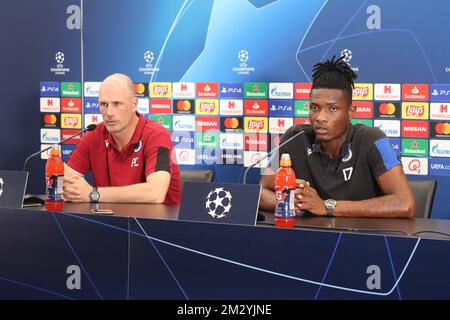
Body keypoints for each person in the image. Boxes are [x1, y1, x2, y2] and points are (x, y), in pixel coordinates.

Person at [259, 56, 415, 218]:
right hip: (309, 237)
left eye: (332, 109)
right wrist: (292, 202)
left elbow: (405, 203)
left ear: (350, 112)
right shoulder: (295, 136)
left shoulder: (373, 139)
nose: (320, 117)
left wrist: (326, 206)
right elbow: (261, 191)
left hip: (362, 238)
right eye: (315, 107)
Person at [63, 73, 181, 204]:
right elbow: (64, 181)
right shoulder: (93, 135)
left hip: (156, 223)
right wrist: (70, 188)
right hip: (110, 221)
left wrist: (93, 193)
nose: (109, 113)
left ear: (134, 104)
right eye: (104, 104)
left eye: (117, 103)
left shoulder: (157, 135)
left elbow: (155, 193)